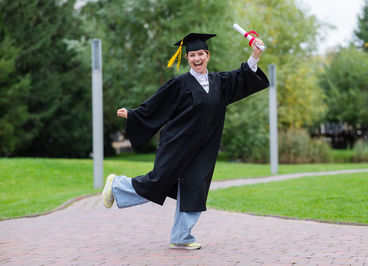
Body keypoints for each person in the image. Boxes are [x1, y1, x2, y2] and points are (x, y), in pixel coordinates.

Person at [102, 32, 269, 250]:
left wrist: (255, 55)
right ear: (187, 58)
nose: (197, 58)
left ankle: (182, 236)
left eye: (201, 53)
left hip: (203, 149)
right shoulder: (180, 84)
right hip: (177, 144)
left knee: (195, 187)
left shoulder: (221, 82)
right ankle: (116, 185)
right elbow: (157, 104)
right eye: (192, 55)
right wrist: (133, 114)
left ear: (208, 55)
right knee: (158, 182)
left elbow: (243, 75)